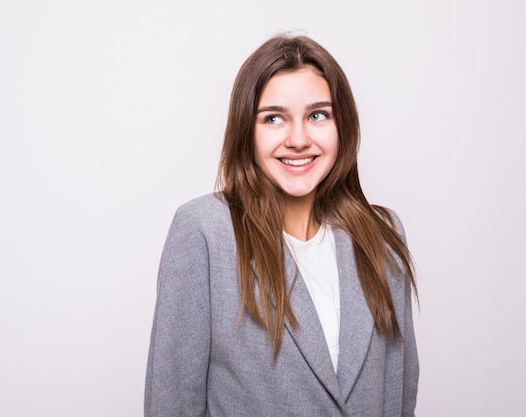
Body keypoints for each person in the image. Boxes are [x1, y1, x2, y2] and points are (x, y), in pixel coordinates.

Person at [144, 33, 419, 417]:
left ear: (343, 125)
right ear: (247, 132)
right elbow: (171, 404)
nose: (298, 139)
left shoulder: (382, 236)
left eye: (317, 115)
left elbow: (398, 394)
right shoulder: (204, 232)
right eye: (274, 118)